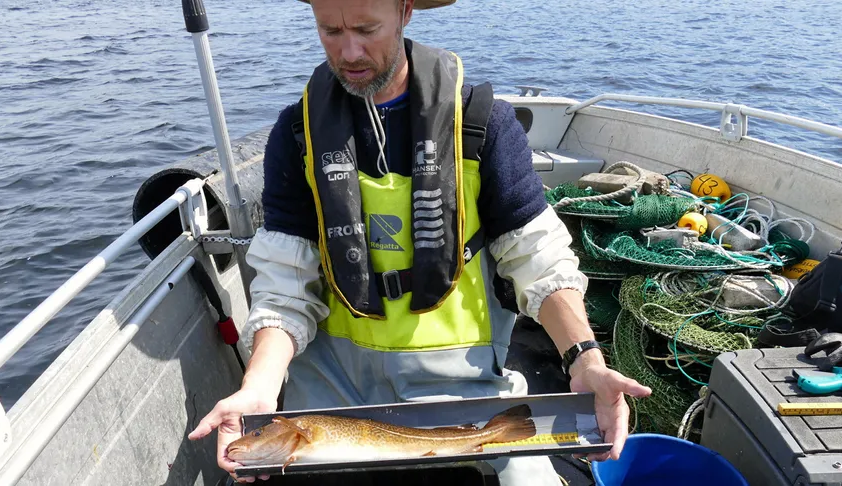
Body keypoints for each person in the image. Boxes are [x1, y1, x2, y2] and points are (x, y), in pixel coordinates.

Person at [189, 0, 652, 483]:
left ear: (406, 10)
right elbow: (285, 286)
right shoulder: (296, 133)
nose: (349, 51)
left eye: (367, 29)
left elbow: (539, 260)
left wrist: (584, 360)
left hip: (462, 389)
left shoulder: (483, 125)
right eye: (330, 30)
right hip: (331, 391)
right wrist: (259, 387)